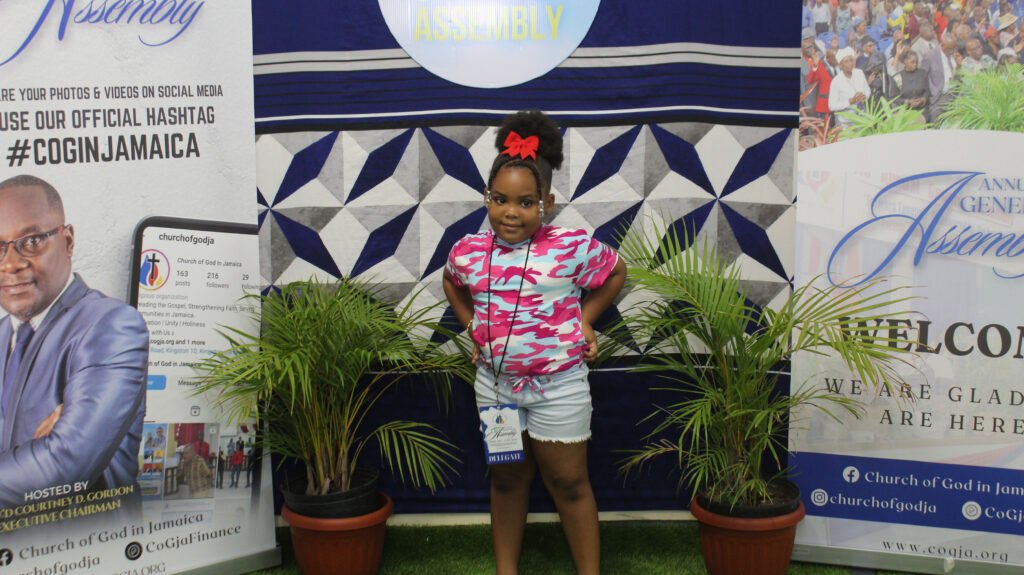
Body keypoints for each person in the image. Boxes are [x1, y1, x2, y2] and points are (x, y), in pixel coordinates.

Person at [443, 111, 626, 575]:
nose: (510, 212)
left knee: (568, 481)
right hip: (496, 386)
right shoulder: (467, 250)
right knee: (506, 479)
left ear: (546, 202)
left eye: (525, 202)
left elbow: (616, 272)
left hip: (559, 385)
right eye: (500, 199)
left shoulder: (570, 246)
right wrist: (472, 326)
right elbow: (451, 282)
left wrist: (585, 321)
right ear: (487, 197)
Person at [0, 175, 148, 509]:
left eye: (33, 240)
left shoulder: (110, 325)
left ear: (67, 241)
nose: (10, 263)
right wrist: (36, 451)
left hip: (86, 552)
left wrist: (54, 449)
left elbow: (64, 465)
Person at [924, 33, 961, 121]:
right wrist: (931, 94)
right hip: (939, 95)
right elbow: (923, 76)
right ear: (942, 45)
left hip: (956, 92)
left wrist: (959, 66)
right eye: (950, 49)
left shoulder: (955, 54)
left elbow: (959, 77)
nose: (952, 51)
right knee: (935, 116)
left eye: (954, 48)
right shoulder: (930, 56)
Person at [829, 47, 872, 123]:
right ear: (840, 65)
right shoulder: (836, 81)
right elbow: (831, 106)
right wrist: (849, 102)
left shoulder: (859, 73)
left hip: (862, 116)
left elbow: (867, 90)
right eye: (846, 61)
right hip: (845, 121)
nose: (850, 63)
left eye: (851, 60)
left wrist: (864, 96)